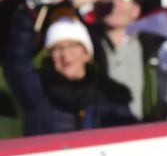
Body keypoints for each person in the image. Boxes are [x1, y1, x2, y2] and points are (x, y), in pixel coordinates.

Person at [3, 13, 135, 135]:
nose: (65, 55)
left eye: (72, 46)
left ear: (86, 54)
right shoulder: (37, 89)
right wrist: (25, 19)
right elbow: (17, 63)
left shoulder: (111, 94)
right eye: (57, 48)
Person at [89, 0, 166, 121]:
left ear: (136, 10)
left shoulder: (147, 44)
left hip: (140, 130)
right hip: (98, 133)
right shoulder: (86, 42)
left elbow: (156, 18)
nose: (114, 4)